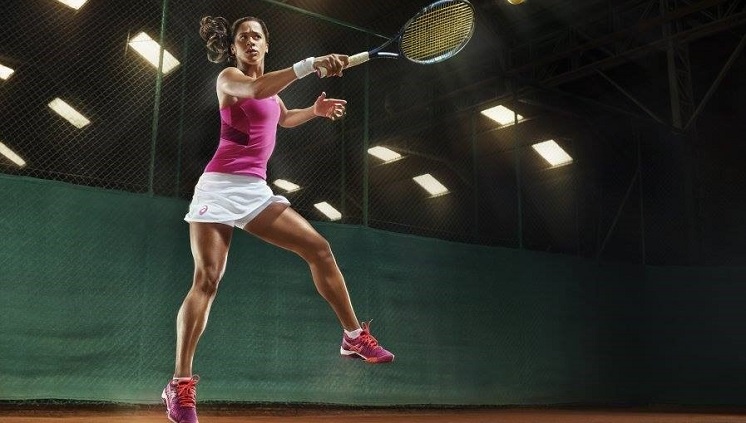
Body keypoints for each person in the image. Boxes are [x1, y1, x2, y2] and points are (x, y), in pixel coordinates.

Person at [160, 15, 395, 423]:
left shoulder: (273, 92)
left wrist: (314, 111)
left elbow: (282, 116)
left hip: (255, 191)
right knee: (207, 279)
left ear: (267, 44)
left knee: (319, 249)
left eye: (257, 36)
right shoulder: (230, 79)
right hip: (218, 187)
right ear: (233, 48)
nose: (250, 41)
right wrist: (310, 64)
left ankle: (353, 336)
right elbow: (255, 89)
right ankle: (179, 386)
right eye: (243, 37)